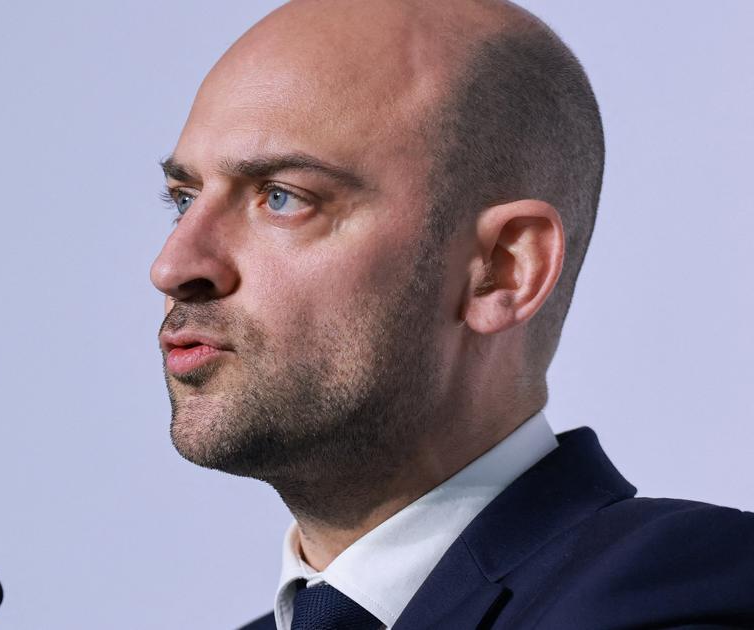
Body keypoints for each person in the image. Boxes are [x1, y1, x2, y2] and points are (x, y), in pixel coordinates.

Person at [149, 1, 754, 629]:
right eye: (184, 199)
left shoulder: (691, 596)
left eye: (282, 198)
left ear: (502, 270)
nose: (172, 267)